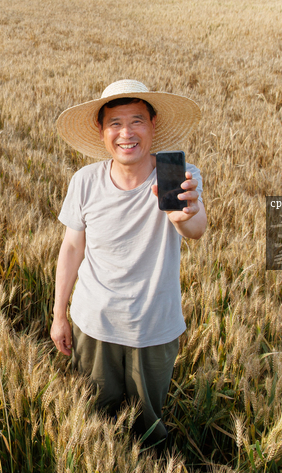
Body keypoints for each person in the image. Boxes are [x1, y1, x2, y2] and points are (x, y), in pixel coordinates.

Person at [51, 79, 206, 446]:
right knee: (95, 417)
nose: (126, 133)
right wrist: (59, 315)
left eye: (137, 121)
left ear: (153, 124)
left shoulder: (175, 175)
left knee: (148, 425)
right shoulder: (86, 181)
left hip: (153, 326)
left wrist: (184, 216)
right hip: (94, 323)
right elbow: (71, 248)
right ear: (101, 130)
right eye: (115, 123)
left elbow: (196, 228)